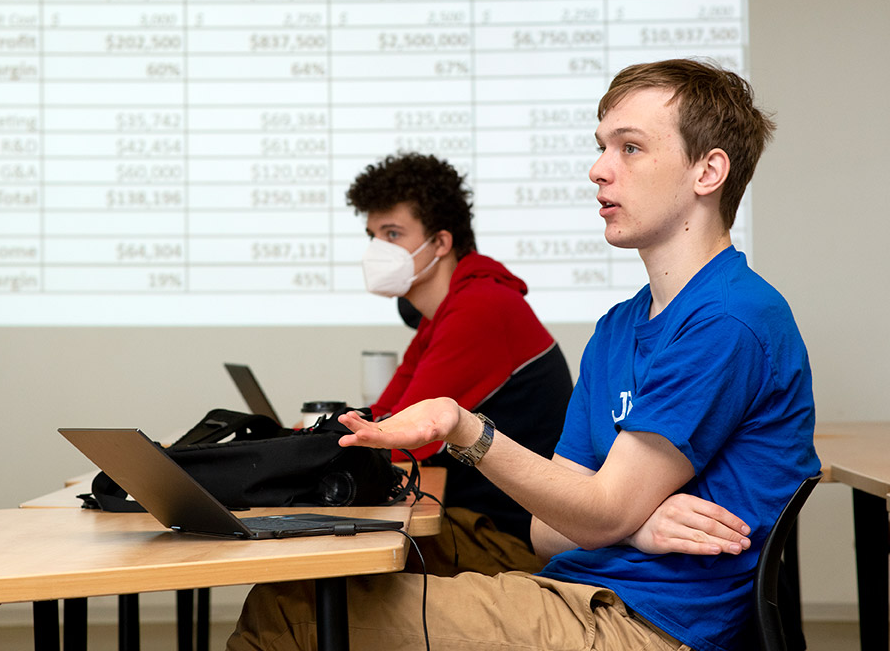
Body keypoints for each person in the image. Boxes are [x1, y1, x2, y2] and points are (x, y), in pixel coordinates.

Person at [228, 59, 820, 651]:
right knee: (295, 594)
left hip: (648, 625)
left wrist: (468, 431)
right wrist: (635, 527)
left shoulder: (728, 319)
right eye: (600, 148)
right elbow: (546, 530)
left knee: (288, 612)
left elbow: (597, 512)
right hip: (580, 593)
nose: (598, 170)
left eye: (630, 148)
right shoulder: (619, 327)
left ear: (708, 171)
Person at [346, 152, 573, 574]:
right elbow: (384, 417)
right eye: (373, 235)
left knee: (317, 586)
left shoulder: (482, 307)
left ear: (442, 243)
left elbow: (399, 441)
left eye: (392, 234)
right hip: (470, 525)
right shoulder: (443, 317)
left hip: (505, 542)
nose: (379, 249)